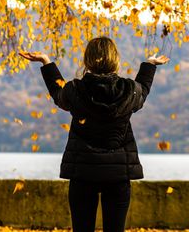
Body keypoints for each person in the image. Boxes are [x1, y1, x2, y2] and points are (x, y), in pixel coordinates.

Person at [19, 36, 169, 232]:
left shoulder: (74, 90)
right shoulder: (129, 90)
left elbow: (58, 93)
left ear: (87, 60)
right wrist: (149, 64)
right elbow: (144, 90)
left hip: (83, 173)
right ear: (115, 59)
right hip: (118, 176)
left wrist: (47, 63)